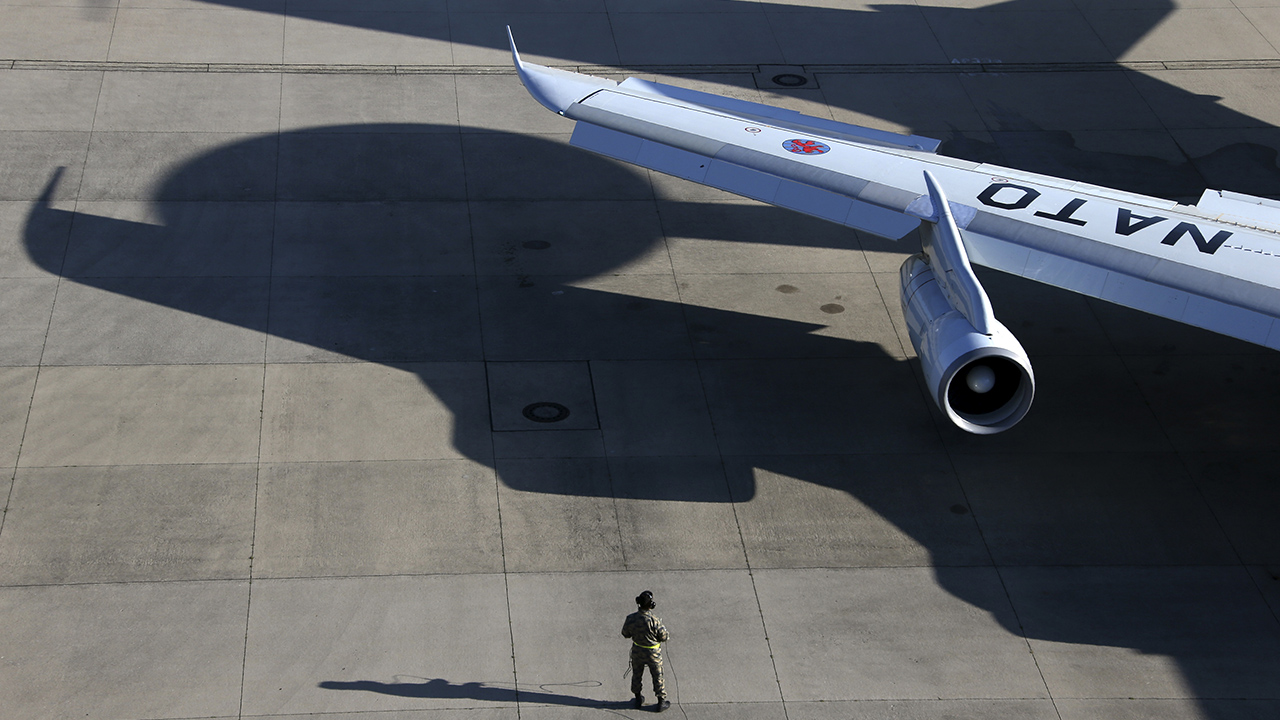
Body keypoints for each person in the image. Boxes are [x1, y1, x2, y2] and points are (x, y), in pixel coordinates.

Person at [621, 590, 670, 712]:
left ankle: (638, 699)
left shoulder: (631, 618)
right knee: (657, 676)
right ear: (651, 605)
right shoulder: (654, 620)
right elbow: (664, 637)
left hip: (638, 651)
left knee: (637, 674)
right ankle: (661, 701)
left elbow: (625, 633)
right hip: (653, 654)